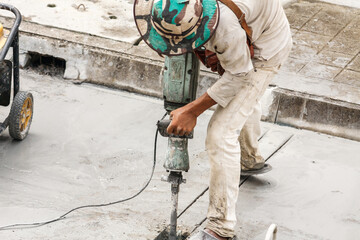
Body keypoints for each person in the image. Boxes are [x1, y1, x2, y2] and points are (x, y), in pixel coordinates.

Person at [134, 0, 292, 239]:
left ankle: (220, 228)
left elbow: (240, 75)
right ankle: (248, 158)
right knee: (241, 103)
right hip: (244, 25)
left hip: (266, 45)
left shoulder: (226, 26)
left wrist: (191, 111)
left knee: (221, 132)